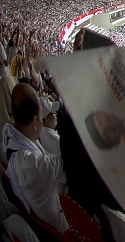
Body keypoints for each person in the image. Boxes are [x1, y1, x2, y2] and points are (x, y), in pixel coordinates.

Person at [1, 83, 67, 233]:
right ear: (36, 121)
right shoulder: (30, 165)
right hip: (64, 227)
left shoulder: (10, 134)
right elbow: (67, 161)